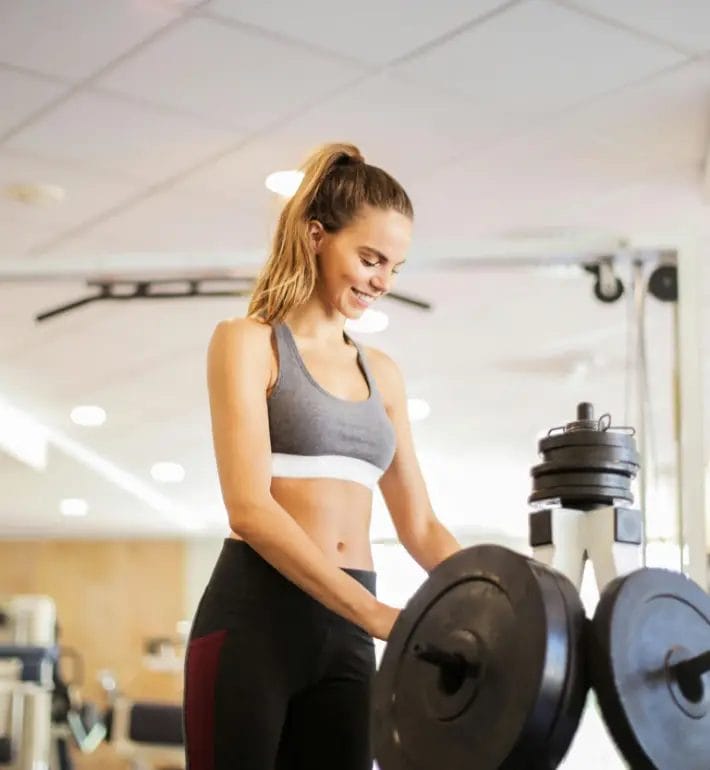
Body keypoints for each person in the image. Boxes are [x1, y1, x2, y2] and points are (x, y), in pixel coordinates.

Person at [183, 142, 461, 770]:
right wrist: (372, 612)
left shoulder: (382, 373)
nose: (382, 282)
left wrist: (506, 591)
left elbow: (419, 527)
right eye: (369, 258)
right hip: (254, 620)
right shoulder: (248, 343)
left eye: (395, 266)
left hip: (348, 639)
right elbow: (249, 508)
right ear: (315, 236)